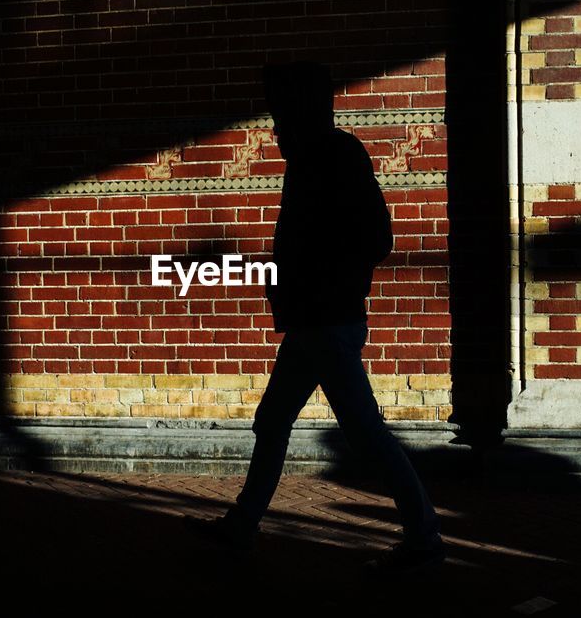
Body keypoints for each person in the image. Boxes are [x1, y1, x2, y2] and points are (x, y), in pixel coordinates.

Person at [185, 62, 445, 576]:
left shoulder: (333, 159)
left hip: (325, 323)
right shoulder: (318, 159)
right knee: (276, 419)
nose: (275, 128)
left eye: (281, 115)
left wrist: (316, 274)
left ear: (302, 110)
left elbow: (376, 240)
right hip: (315, 323)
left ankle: (425, 537)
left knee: (365, 434)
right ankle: (244, 522)